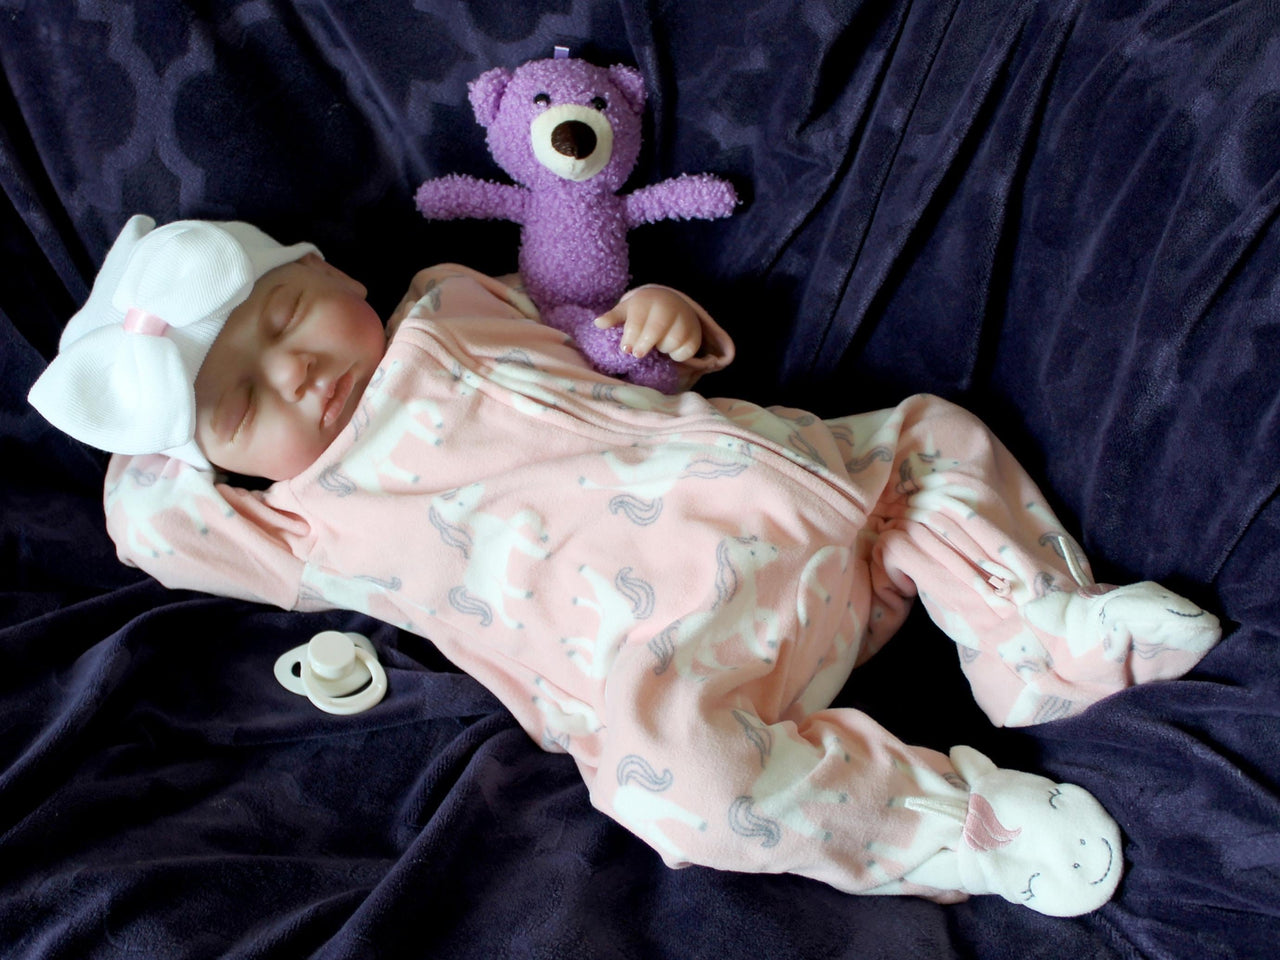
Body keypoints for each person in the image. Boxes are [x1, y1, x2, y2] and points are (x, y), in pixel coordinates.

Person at [28, 215, 1222, 917]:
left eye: (291, 316)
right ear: (221, 463)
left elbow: (598, 338)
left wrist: (661, 323)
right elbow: (145, 515)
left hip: (801, 500)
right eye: (244, 397)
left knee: (929, 437)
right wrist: (152, 393)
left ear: (337, 275)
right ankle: (955, 821)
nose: (295, 372)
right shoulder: (295, 524)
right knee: (669, 785)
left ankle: (1040, 633)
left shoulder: (452, 298)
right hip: (673, 657)